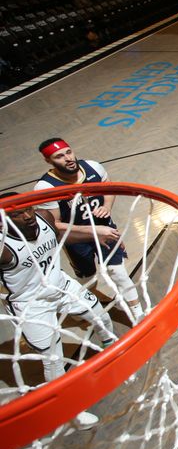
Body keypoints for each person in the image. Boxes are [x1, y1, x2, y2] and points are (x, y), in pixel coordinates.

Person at [0, 192, 117, 428]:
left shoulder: (43, 216)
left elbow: (61, 238)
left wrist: (95, 234)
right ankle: (70, 412)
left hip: (61, 285)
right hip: (31, 305)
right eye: (18, 215)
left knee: (101, 317)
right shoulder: (3, 248)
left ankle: (111, 351)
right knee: (53, 360)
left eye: (28, 210)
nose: (27, 216)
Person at [33, 138, 144, 323]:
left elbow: (109, 186)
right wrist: (92, 231)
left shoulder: (92, 167)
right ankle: (88, 306)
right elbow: (55, 224)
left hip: (106, 229)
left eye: (68, 152)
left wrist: (107, 207)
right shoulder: (45, 187)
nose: (68, 158)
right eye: (59, 156)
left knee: (118, 272)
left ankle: (139, 313)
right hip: (76, 239)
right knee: (88, 278)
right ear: (49, 161)